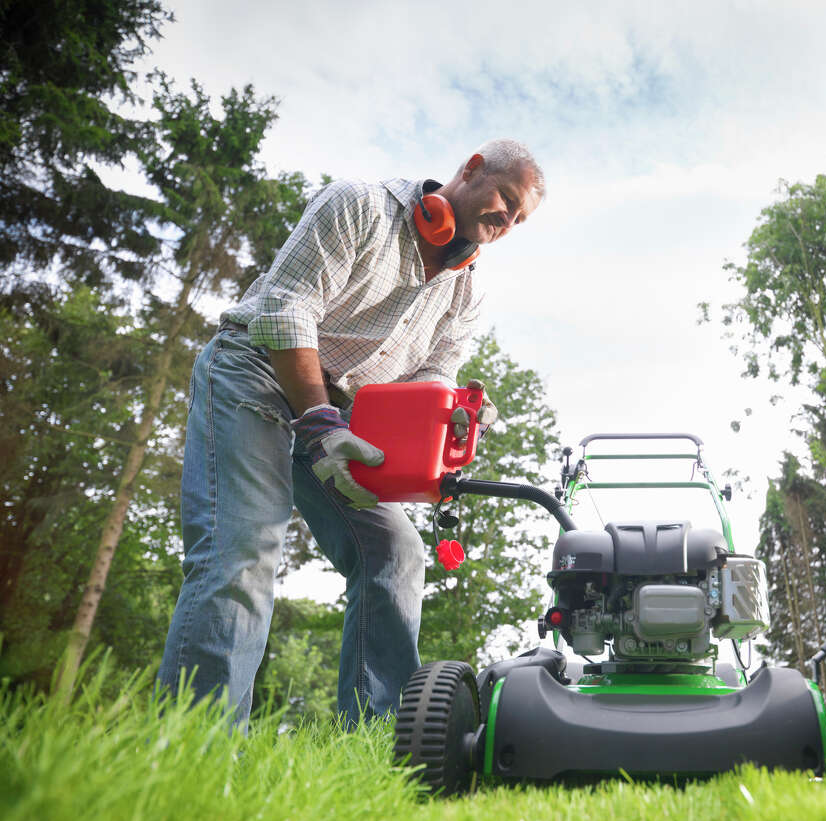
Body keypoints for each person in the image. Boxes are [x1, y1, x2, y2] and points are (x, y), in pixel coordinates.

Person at [157, 139, 545, 727]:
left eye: (519, 219)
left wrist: (444, 432)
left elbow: (431, 381)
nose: (506, 222)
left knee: (396, 550)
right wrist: (317, 424)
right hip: (255, 373)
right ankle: (195, 753)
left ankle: (375, 742)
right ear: (469, 170)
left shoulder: (467, 291)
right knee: (243, 552)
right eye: (505, 199)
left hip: (343, 422)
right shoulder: (359, 207)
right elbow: (286, 310)